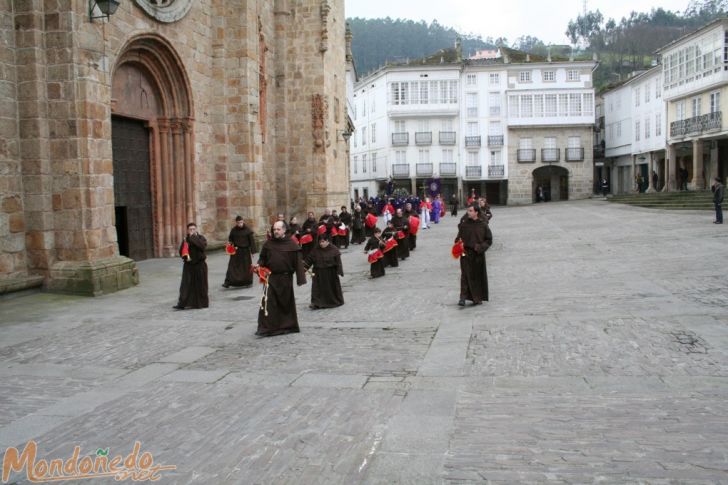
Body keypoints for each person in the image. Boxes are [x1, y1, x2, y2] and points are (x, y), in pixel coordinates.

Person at [253, 221, 306, 337]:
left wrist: (300, 278)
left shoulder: (291, 244)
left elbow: (298, 262)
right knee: (268, 302)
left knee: (285, 303)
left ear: (284, 230)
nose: (275, 231)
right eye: (274, 229)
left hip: (285, 278)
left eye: (278, 229)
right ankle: (267, 328)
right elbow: (262, 258)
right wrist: (259, 265)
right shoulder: (268, 244)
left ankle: (287, 325)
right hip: (271, 277)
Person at [455, 205, 492, 306]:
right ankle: (462, 297)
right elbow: (458, 238)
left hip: (478, 254)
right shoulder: (464, 225)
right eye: (468, 210)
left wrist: (480, 247)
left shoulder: (483, 225)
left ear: (476, 212)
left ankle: (477, 297)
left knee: (477, 276)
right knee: (465, 275)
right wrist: (458, 242)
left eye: (470, 211)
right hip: (465, 253)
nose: (468, 212)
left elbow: (489, 240)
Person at [304, 234, 344, 308]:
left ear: (327, 241)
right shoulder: (316, 249)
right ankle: (316, 303)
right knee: (317, 288)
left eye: (323, 242)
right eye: (320, 242)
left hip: (330, 273)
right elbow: (309, 259)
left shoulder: (334, 249)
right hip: (318, 272)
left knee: (331, 288)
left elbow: (338, 261)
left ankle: (333, 302)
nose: (321, 243)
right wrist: (303, 268)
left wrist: (339, 271)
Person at [174, 222, 209, 310]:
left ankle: (201, 303)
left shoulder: (201, 238)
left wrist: (193, 237)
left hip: (200, 265)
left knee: (201, 285)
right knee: (186, 285)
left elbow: (202, 247)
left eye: (193, 229)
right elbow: (181, 251)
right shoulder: (186, 239)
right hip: (189, 265)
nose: (192, 231)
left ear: (196, 229)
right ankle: (182, 303)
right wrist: (184, 255)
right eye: (190, 229)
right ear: (188, 230)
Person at [222, 216, 257, 288]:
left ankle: (248, 282)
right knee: (232, 266)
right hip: (236, 251)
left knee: (246, 267)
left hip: (245, 251)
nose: (240, 224)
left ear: (243, 221)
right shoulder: (233, 230)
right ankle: (228, 282)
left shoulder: (248, 230)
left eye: (241, 222)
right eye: (238, 223)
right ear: (236, 223)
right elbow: (230, 239)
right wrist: (229, 244)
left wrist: (253, 251)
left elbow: (252, 241)